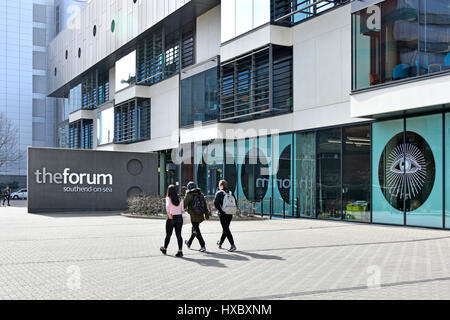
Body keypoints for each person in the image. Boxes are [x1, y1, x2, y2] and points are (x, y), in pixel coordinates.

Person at [184, 182, 210, 252]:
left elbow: (184, 205)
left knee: (196, 230)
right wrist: (207, 215)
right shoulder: (200, 194)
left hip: (193, 216)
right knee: (195, 229)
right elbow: (204, 205)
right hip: (200, 215)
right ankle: (189, 243)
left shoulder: (189, 194)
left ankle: (203, 245)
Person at [160, 185, 184, 257]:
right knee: (179, 234)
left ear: (168, 191)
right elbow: (182, 209)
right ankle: (180, 251)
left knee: (168, 235)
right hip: (179, 217)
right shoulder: (180, 199)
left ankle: (165, 249)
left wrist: (169, 214)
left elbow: (167, 206)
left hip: (171, 217)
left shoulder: (168, 198)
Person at [214, 180, 237, 252]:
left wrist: (221, 211)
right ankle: (220, 243)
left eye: (219, 185)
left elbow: (216, 204)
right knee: (225, 228)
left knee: (226, 229)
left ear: (221, 185)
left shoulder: (219, 193)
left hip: (223, 213)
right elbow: (235, 202)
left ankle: (232, 245)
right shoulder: (231, 193)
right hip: (230, 213)